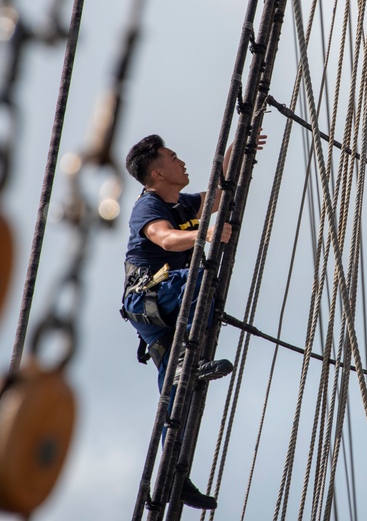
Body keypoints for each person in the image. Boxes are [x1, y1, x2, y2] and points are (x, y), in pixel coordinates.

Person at [120, 132, 264, 510]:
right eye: (173, 157)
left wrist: (237, 148)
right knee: (203, 273)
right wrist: (208, 234)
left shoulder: (181, 204)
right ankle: (188, 360)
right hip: (150, 296)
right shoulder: (148, 208)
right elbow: (165, 240)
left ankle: (171, 479)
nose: (181, 161)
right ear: (157, 172)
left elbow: (215, 197)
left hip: (161, 309)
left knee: (175, 393)